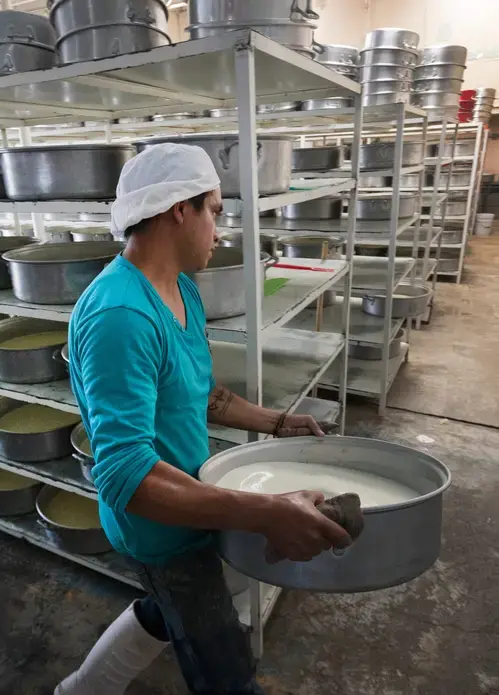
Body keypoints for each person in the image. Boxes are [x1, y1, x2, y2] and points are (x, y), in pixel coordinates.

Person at [56, 143, 356, 695]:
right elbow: (125, 476)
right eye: (215, 211)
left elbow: (198, 392)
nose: (219, 229)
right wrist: (263, 513)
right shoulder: (119, 315)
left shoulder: (182, 290)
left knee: (168, 609)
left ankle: (83, 689)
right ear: (179, 209)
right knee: (226, 670)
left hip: (193, 498)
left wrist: (275, 422)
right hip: (160, 525)